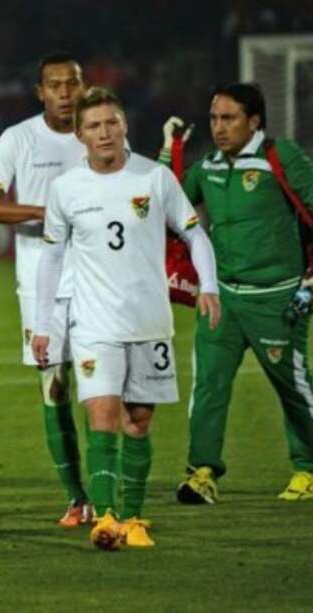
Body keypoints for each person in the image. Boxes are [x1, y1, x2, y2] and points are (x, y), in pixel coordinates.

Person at [31, 87, 220, 550]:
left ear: (125, 125)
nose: (104, 133)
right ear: (80, 135)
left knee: (138, 421)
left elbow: (195, 235)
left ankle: (134, 517)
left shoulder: (154, 178)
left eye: (111, 122)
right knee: (103, 415)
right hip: (94, 323)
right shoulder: (66, 189)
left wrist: (209, 286)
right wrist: (41, 324)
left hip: (149, 322)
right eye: (94, 126)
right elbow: (51, 259)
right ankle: (106, 516)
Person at [167, 83, 313, 504]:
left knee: (294, 387)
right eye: (214, 118)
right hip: (223, 297)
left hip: (278, 298)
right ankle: (202, 472)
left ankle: (308, 467)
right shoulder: (209, 166)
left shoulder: (280, 158)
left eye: (229, 118)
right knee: (209, 386)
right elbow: (165, 197)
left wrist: (310, 282)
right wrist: (167, 150)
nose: (218, 127)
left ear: (254, 121)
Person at [0, 51, 93, 526]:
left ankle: (112, 493)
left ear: (84, 87)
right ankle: (77, 496)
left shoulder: (101, 135)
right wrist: (42, 213)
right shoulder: (18, 139)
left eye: (72, 84)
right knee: (56, 389)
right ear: (40, 92)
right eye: (55, 85)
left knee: (107, 388)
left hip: (98, 283)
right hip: (41, 288)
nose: (65, 94)